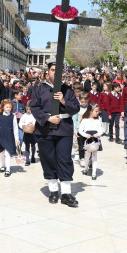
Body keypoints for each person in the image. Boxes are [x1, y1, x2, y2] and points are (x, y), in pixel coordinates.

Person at [30, 58, 80, 207]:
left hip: (64, 129)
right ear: (48, 72)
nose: (56, 73)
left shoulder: (67, 90)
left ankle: (66, 193)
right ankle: (53, 190)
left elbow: (75, 108)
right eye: (53, 70)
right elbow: (34, 108)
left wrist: (64, 101)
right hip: (45, 130)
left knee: (64, 160)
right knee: (48, 159)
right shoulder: (40, 89)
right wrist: (47, 118)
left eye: (59, 70)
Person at [0, 99, 20, 177]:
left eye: (10, 107)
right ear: (3, 107)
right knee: (1, 153)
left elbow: (15, 128)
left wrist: (17, 139)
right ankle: (3, 166)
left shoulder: (13, 117)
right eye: (7, 107)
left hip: (9, 137)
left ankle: (8, 169)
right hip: (0, 136)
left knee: (8, 154)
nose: (8, 108)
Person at [78, 104, 103, 180]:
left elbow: (101, 130)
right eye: (96, 111)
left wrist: (98, 134)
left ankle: (94, 173)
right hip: (87, 139)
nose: (97, 113)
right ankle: (86, 168)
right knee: (87, 155)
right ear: (90, 111)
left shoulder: (97, 121)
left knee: (94, 155)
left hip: (95, 139)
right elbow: (80, 130)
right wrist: (86, 135)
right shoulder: (84, 120)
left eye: (98, 111)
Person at [73, 92, 89, 168]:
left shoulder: (89, 108)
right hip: (80, 130)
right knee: (81, 145)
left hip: (88, 129)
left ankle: (88, 158)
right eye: (82, 102)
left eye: (85, 102)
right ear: (79, 100)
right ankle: (81, 158)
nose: (84, 103)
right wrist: (75, 130)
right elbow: (74, 119)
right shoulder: (77, 108)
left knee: (89, 144)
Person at [19, 100, 37, 165]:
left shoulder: (34, 115)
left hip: (33, 132)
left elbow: (36, 121)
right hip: (26, 132)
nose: (29, 110)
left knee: (33, 145)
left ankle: (33, 156)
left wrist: (33, 125)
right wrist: (24, 126)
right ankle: (27, 159)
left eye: (30, 109)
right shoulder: (24, 115)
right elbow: (20, 123)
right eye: (27, 109)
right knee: (27, 146)